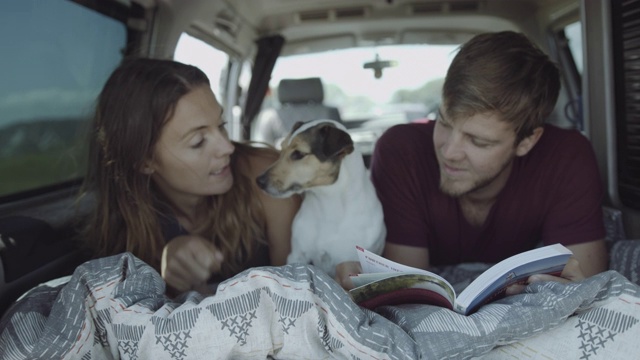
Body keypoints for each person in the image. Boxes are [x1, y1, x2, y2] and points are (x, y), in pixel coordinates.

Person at [336, 31, 608, 289]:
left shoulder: (567, 156)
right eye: (442, 122)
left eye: (478, 141)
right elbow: (407, 289)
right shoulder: (401, 151)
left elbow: (582, 283)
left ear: (527, 141)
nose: (449, 151)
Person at [79, 58, 301, 295]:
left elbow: (295, 293)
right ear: (145, 161)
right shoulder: (123, 223)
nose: (227, 147)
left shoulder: (266, 177)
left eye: (222, 125)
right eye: (198, 142)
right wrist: (168, 279)